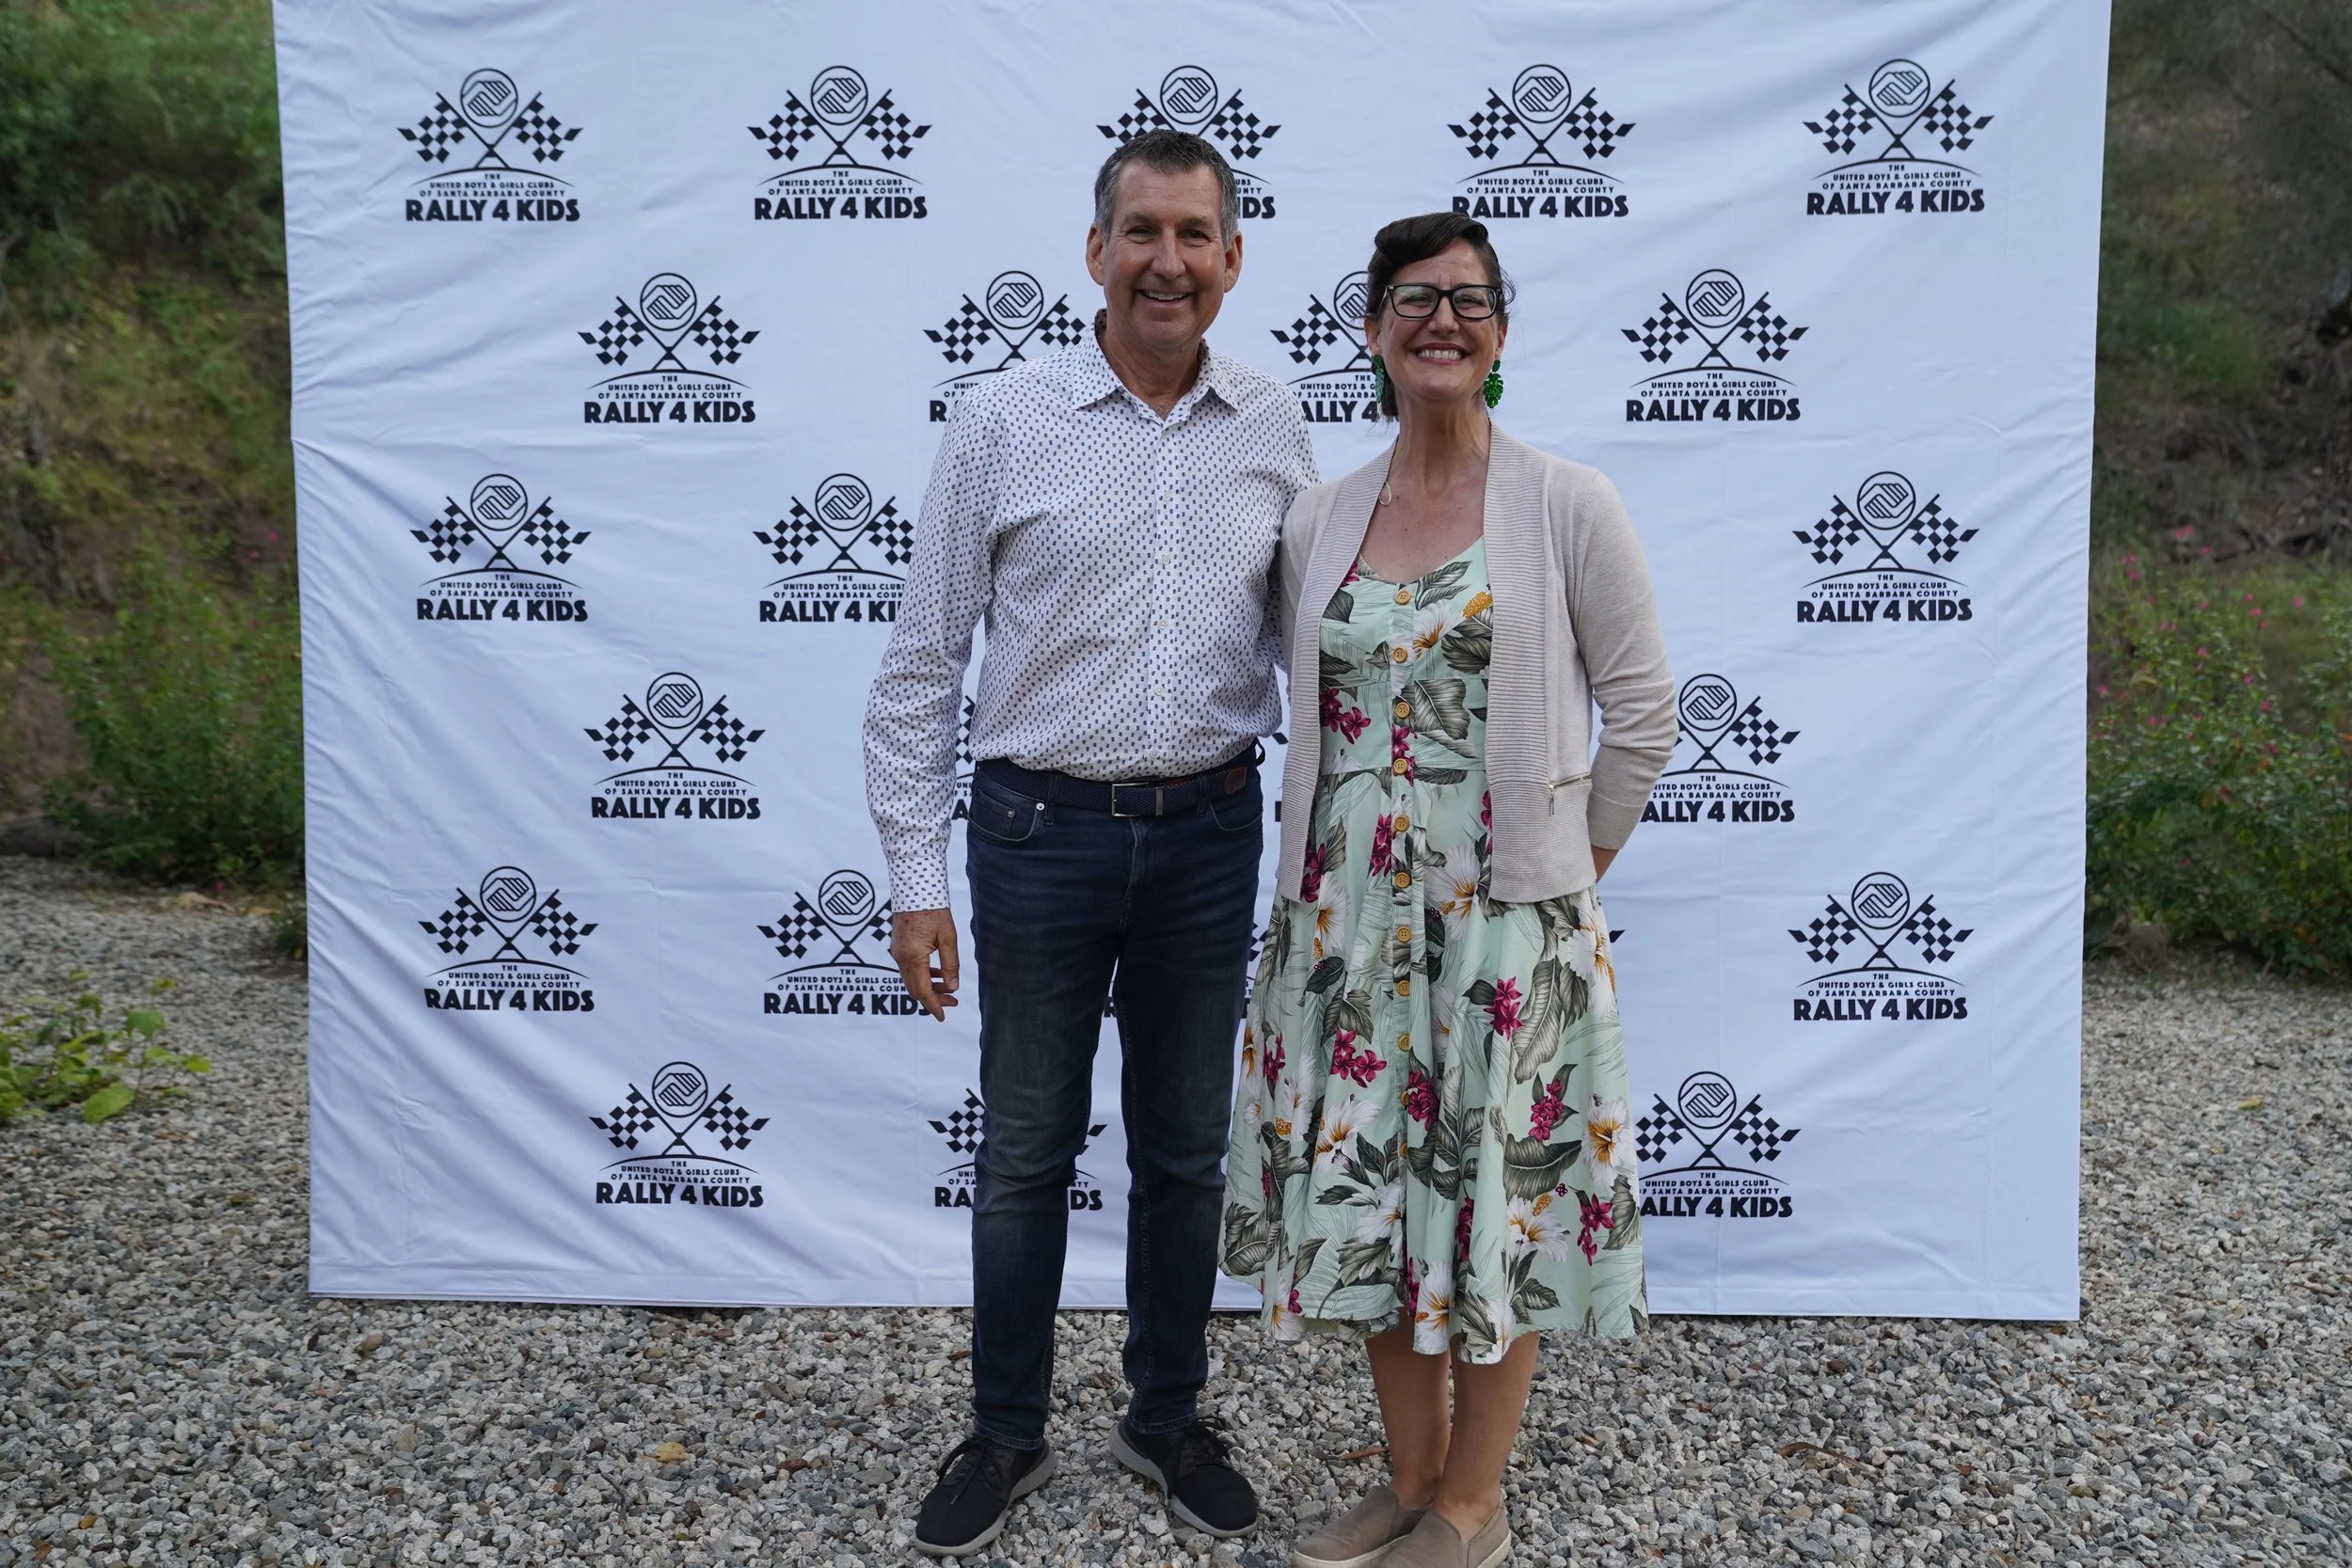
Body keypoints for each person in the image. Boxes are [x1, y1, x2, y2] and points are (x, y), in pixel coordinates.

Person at [863, 129, 1317, 1557]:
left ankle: (1165, 1414)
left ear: (1232, 258)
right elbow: (921, 665)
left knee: (1186, 1151)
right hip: (1035, 833)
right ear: (1095, 251)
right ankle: (1005, 1432)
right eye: (1141, 232)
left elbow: (1310, 652)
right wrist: (915, 881)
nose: (1165, 262)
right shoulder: (1002, 419)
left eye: (1193, 235)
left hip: (1209, 831)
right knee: (1023, 1151)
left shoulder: (1275, 425)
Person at [1219, 213, 1674, 1568]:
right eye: (1413, 298)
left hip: (1505, 933)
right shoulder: (1321, 515)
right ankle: (1410, 1480)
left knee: (1497, 1197)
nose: (1441, 320)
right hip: (1344, 925)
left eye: (1470, 300)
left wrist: (1561, 870)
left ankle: (1475, 1503)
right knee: (1369, 1196)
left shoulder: (1567, 503)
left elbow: (1644, 713)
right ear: (1372, 329)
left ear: (1501, 332)